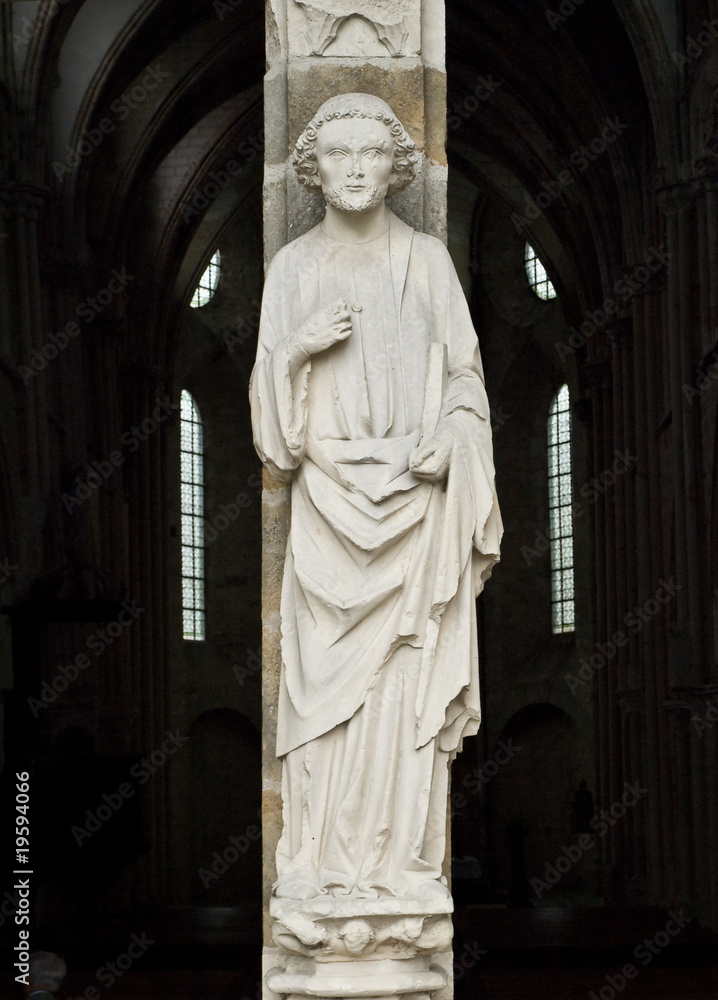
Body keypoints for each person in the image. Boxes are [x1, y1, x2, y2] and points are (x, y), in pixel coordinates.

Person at [250, 92, 502, 902]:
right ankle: (321, 870)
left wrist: (452, 440)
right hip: (326, 506)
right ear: (313, 169)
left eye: (370, 154)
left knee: (401, 688)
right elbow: (273, 440)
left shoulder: (425, 260)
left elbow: (466, 374)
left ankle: (396, 870)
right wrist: (298, 347)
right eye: (337, 154)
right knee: (320, 698)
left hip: (412, 507)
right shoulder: (292, 270)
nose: (354, 169)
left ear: (396, 167)